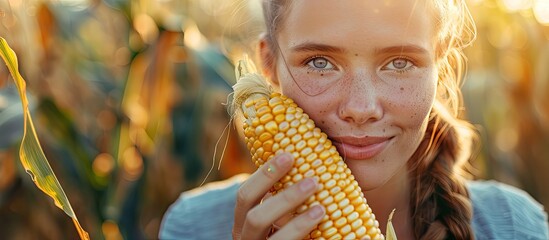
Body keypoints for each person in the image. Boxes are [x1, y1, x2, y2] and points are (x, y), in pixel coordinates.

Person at [159, 0, 549, 239]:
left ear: (440, 64)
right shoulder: (193, 228)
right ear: (268, 64)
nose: (361, 108)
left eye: (400, 63)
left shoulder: (515, 227)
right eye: (319, 62)